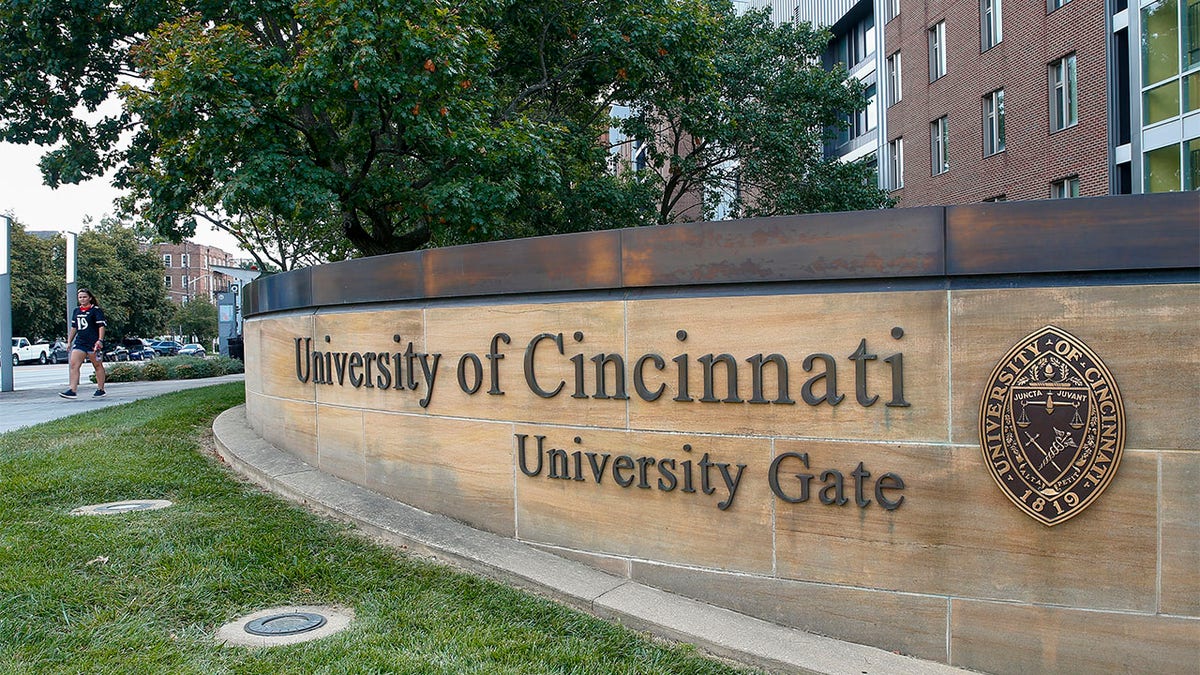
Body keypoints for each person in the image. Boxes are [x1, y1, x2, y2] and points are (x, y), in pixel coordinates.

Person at [60, 288, 108, 399]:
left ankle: (100, 389)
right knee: (74, 365)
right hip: (80, 342)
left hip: (93, 342)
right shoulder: (76, 311)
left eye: (84, 297)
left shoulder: (95, 310)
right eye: (80, 297)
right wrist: (69, 342)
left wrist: (100, 340)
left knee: (97, 365)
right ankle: (72, 389)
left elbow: (101, 326)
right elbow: (74, 327)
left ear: (90, 298)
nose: (82, 299)